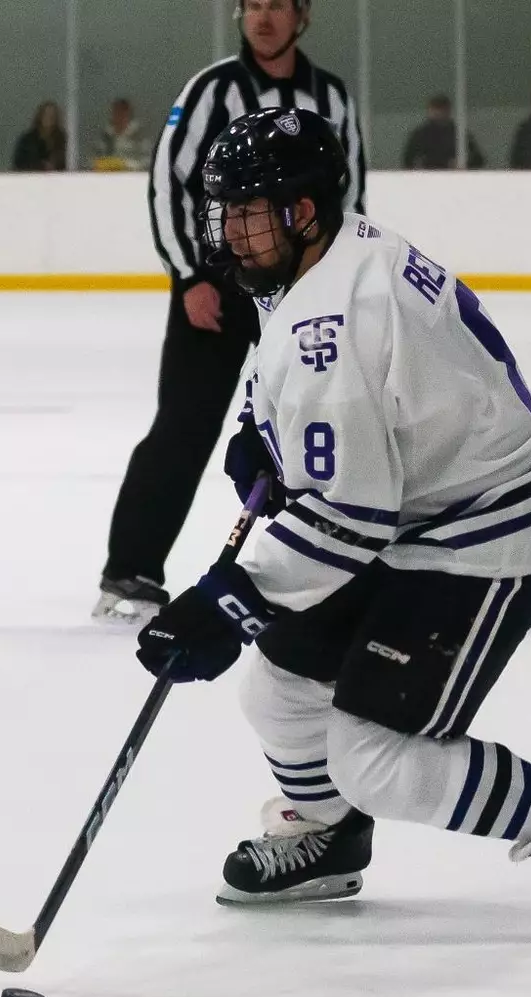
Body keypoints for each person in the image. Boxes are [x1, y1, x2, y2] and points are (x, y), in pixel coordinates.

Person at [134, 107, 531, 947]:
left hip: (482, 537)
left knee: (372, 757)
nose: (235, 232)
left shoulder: (339, 321)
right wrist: (260, 426)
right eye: (230, 211)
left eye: (253, 211)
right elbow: (277, 350)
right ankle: (327, 839)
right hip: (417, 511)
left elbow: (350, 518)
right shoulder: (321, 259)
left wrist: (231, 600)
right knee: (279, 692)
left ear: (304, 211)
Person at [95, 0, 365, 623]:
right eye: (253, 6)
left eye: (277, 6)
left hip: (303, 291)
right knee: (185, 425)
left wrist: (342, 284)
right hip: (216, 289)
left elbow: (351, 194)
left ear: (302, 17)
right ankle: (131, 570)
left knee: (321, 425)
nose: (263, 18)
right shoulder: (211, 89)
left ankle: (328, 571)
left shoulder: (332, 96)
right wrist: (190, 275)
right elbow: (169, 181)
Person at [402, 95, 484, 170]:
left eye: (441, 110)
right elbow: (408, 160)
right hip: (429, 177)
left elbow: (478, 159)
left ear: (448, 111)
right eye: (435, 110)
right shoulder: (421, 134)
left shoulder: (458, 132)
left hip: (453, 178)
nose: (438, 113)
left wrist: (462, 164)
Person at [93, 98, 151, 171]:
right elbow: (95, 158)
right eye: (116, 113)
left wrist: (127, 165)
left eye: (122, 113)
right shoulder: (106, 136)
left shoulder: (139, 136)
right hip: (108, 177)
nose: (119, 117)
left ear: (129, 115)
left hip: (133, 177)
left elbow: (148, 161)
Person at [12, 101, 67, 172]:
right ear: (40, 116)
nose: (49, 118)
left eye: (52, 116)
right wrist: (41, 166)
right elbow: (19, 164)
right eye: (46, 115)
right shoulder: (27, 141)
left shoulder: (61, 139)